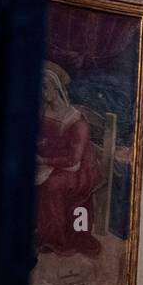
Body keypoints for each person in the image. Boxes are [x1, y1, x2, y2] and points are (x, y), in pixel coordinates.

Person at [36, 61, 102, 257]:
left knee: (52, 185)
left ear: (56, 88)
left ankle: (53, 239)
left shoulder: (76, 120)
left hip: (78, 170)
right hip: (49, 161)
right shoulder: (42, 113)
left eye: (44, 87)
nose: (41, 91)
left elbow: (74, 160)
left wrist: (44, 162)